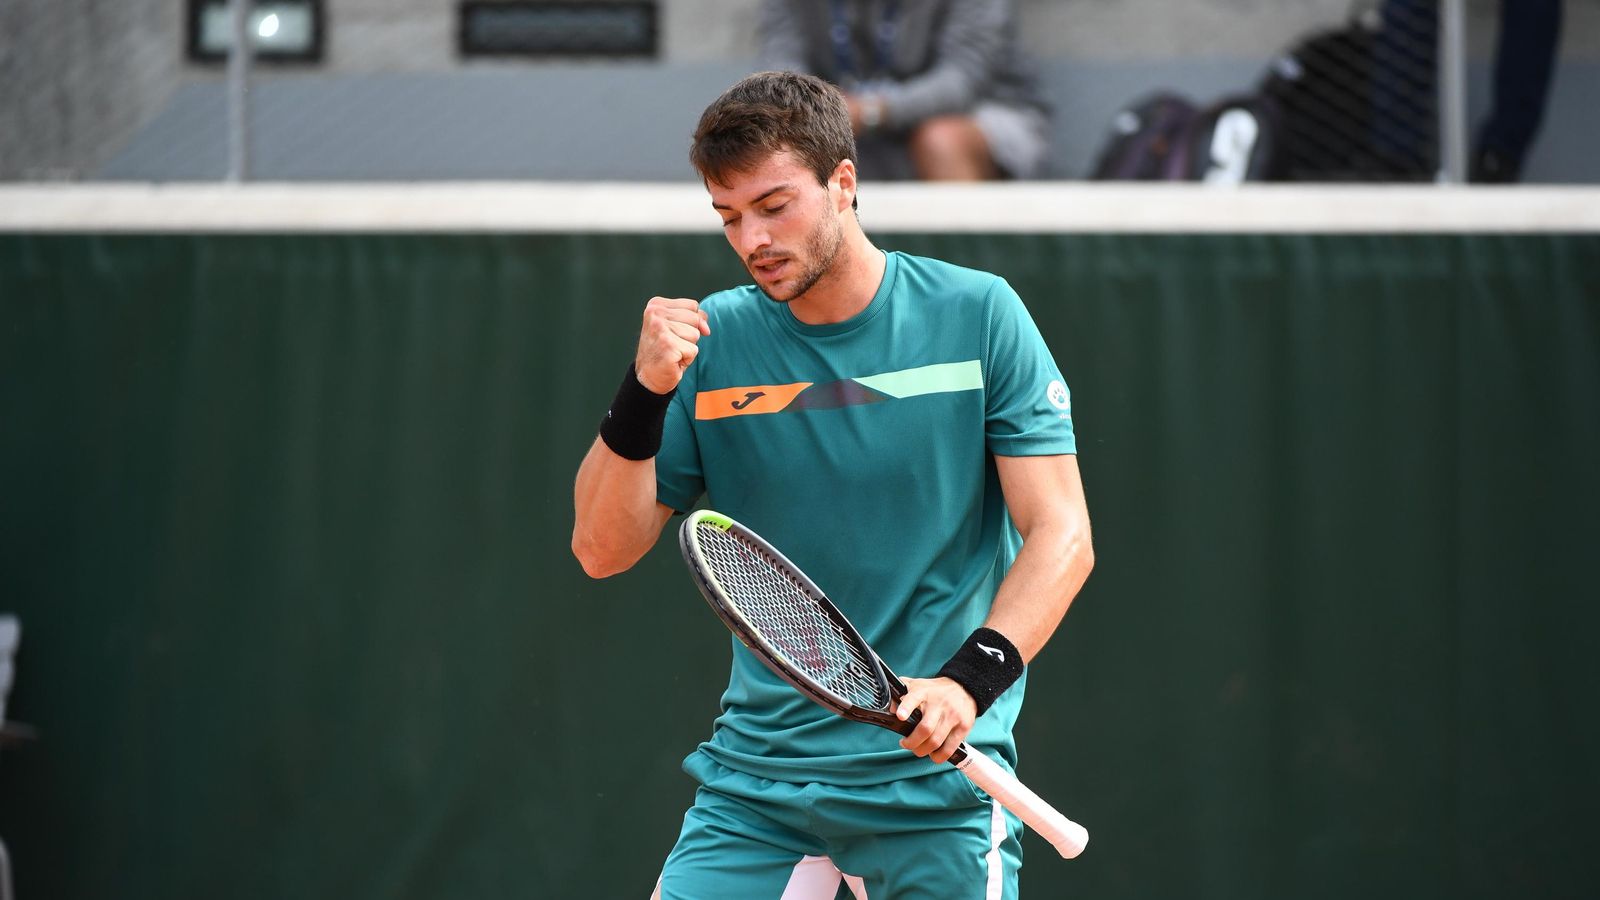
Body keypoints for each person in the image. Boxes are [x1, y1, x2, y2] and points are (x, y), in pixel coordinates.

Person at [571, 71, 1093, 899]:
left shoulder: (981, 314)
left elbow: (1062, 535)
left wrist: (967, 682)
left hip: (934, 795)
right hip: (756, 790)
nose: (751, 239)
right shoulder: (707, 344)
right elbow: (601, 550)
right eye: (729, 217)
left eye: (774, 206)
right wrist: (642, 394)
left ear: (843, 183)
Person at [757, 0, 1052, 181]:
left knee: (940, 141)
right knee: (766, 142)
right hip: (843, 118)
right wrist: (815, 107)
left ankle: (963, 281)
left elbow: (961, 82)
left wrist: (871, 111)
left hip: (984, 110)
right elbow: (782, 69)